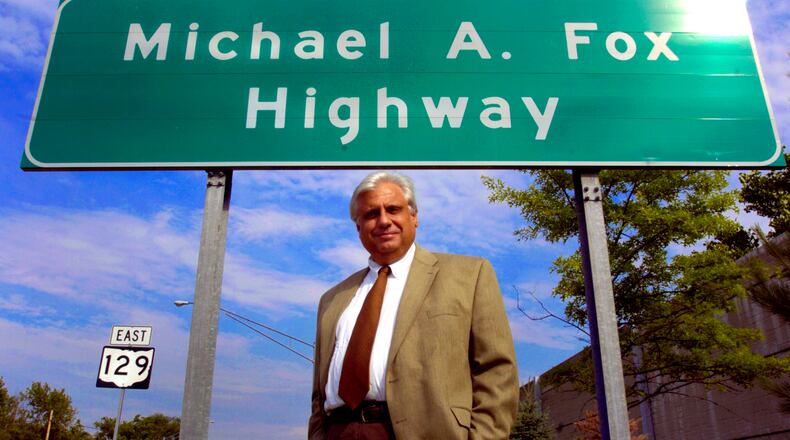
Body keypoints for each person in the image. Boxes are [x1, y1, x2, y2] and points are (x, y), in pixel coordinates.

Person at [309, 171, 518, 440]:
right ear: (358, 227)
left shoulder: (469, 275)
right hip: (340, 431)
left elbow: (496, 369)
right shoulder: (333, 299)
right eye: (371, 214)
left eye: (393, 209)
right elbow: (318, 392)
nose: (384, 220)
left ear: (414, 216)